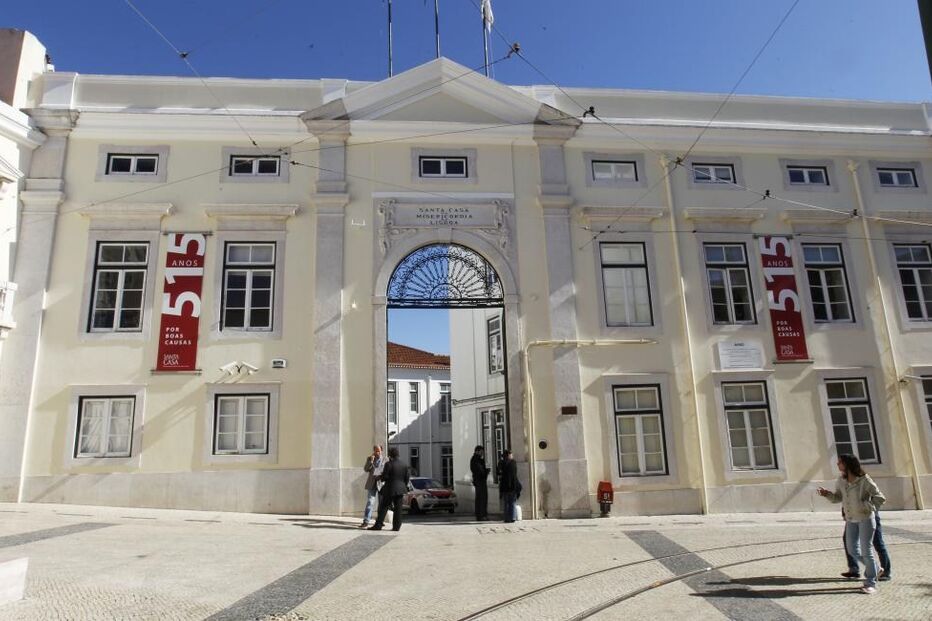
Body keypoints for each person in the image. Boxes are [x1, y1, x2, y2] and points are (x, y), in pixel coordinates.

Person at [818, 454, 886, 594]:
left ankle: (870, 583)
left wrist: (866, 506)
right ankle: (875, 568)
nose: (837, 464)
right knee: (852, 550)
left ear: (847, 464)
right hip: (851, 519)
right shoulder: (841, 480)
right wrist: (827, 494)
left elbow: (880, 498)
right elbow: (838, 498)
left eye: (840, 462)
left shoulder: (864, 480)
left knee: (866, 550)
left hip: (866, 518)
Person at [842, 508, 892, 581]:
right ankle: (854, 568)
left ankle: (885, 572)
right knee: (848, 542)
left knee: (877, 542)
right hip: (852, 515)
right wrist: (845, 512)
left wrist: (869, 507)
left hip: (868, 515)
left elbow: (879, 501)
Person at [369, 446, 410, 532]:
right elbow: (407, 478)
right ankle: (396, 527)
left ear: (390, 455)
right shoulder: (404, 464)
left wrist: (379, 477)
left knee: (383, 507)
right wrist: (403, 486)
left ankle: (378, 525)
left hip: (390, 489)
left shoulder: (389, 464)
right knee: (398, 509)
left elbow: (385, 477)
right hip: (400, 489)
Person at [360, 444, 384, 528]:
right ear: (373, 451)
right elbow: (366, 469)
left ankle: (380, 520)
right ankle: (366, 521)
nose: (377, 453)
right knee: (370, 502)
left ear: (381, 451)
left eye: (379, 451)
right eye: (376, 451)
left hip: (381, 483)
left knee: (381, 503)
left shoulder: (385, 459)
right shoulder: (370, 458)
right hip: (372, 483)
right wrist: (371, 461)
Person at [470, 445, 491, 520]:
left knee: (479, 498)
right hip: (480, 481)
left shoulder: (476, 459)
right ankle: (482, 515)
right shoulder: (476, 460)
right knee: (482, 498)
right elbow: (480, 471)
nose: (482, 453)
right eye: (481, 452)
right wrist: (486, 471)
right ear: (477, 451)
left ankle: (480, 515)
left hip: (478, 480)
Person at [499, 449, 519, 523]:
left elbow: (499, 472)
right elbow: (514, 476)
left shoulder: (502, 463)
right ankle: (512, 517)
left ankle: (507, 518)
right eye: (511, 454)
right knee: (512, 502)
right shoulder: (513, 463)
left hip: (505, 486)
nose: (512, 456)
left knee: (507, 503)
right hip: (512, 486)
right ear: (509, 455)